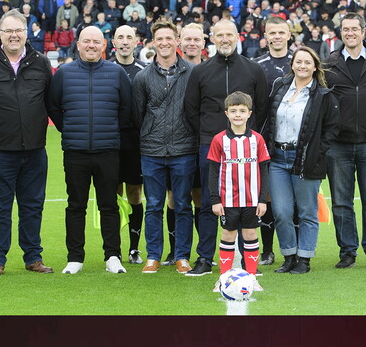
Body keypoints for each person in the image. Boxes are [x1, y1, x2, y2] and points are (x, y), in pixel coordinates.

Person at [0, 11, 56, 276]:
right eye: (8, 31)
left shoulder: (40, 63)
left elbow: (49, 101)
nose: (14, 35)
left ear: (27, 32)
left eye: (18, 30)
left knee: (33, 206)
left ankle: (33, 257)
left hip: (34, 151)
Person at [184, 18, 269, 276]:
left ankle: (247, 260)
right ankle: (204, 258)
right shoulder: (200, 71)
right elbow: (190, 110)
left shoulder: (253, 70)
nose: (224, 39)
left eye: (228, 34)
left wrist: (246, 138)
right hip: (211, 147)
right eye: (219, 34)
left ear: (237, 36)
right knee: (213, 204)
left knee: (246, 205)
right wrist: (211, 136)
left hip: (247, 150)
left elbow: (262, 108)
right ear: (212, 38)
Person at [47, 26, 132, 275]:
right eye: (87, 41)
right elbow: (53, 107)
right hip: (75, 151)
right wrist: (71, 130)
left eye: (96, 41)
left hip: (108, 151)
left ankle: (112, 255)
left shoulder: (116, 73)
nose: (91, 46)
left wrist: (111, 132)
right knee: (76, 205)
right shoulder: (64, 73)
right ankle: (75, 257)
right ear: (79, 44)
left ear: (104, 45)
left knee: (109, 205)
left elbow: (126, 109)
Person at [261, 47, 340, 274]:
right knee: (281, 212)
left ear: (315, 67)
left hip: (305, 159)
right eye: (299, 62)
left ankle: (304, 259)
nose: (302, 66)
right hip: (277, 158)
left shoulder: (323, 95)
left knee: (306, 211)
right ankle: (289, 256)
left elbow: (332, 128)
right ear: (292, 65)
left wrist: (317, 152)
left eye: (307, 62)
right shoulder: (280, 87)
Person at [323, 12, 366, 269]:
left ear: (364, 32)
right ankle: (347, 252)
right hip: (338, 145)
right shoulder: (329, 63)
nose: (350, 33)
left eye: (354, 29)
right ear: (341, 33)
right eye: (345, 29)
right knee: (341, 202)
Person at [131, 18, 198, 274]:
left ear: (177, 40)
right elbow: (138, 114)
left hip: (183, 149)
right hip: (152, 150)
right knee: (154, 205)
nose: (165, 42)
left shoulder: (192, 72)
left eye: (169, 38)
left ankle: (182, 255)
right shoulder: (142, 77)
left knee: (182, 204)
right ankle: (154, 255)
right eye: (160, 39)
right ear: (153, 42)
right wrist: (151, 134)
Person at [207, 91, 271, 291]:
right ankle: (224, 278)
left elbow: (263, 170)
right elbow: (213, 172)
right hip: (227, 200)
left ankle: (251, 277)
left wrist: (263, 199)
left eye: (242, 111)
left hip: (252, 200)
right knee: (228, 235)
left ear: (249, 113)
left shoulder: (258, 140)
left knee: (251, 233)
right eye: (233, 111)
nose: (237, 115)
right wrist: (215, 200)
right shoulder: (219, 140)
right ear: (226, 113)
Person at [251, 16, 294, 265]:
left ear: (289, 35)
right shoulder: (257, 65)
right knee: (265, 197)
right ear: (265, 37)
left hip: (296, 142)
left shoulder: (300, 62)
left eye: (281, 32)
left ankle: (296, 248)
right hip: (266, 141)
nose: (277, 37)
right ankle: (267, 250)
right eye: (272, 33)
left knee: (296, 198)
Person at [108, 24, 149, 264]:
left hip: (136, 143)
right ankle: (113, 248)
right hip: (109, 142)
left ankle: (134, 248)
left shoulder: (145, 70)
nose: (124, 41)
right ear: (113, 42)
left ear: (136, 42)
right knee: (113, 197)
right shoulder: (104, 69)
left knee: (135, 194)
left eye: (129, 37)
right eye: (120, 37)